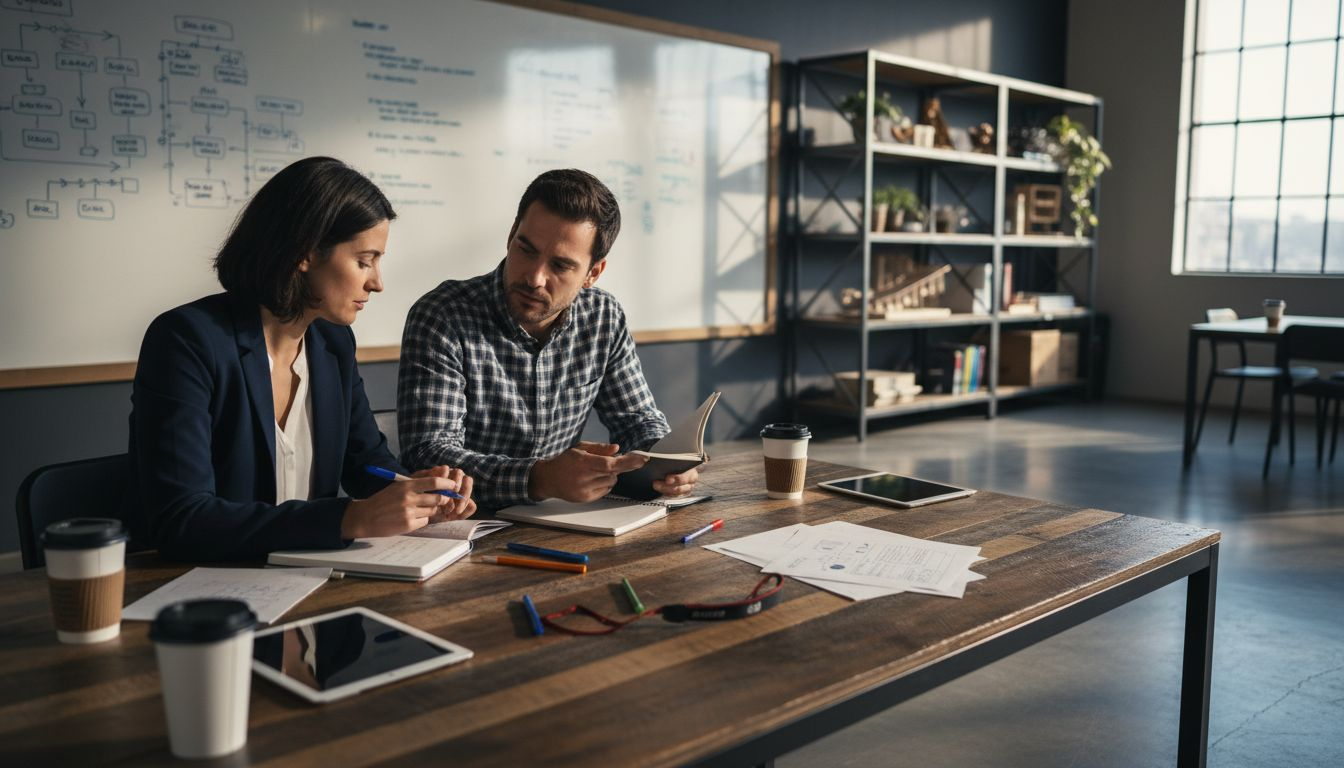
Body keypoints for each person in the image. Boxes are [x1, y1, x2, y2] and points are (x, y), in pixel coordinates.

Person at [123, 156, 476, 562]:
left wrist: (416, 491)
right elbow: (181, 520)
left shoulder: (333, 342)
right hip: (201, 596)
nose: (377, 282)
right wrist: (349, 518)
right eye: (364, 261)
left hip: (310, 580)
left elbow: (365, 464)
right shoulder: (187, 341)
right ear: (304, 253)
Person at [397, 169, 698, 508]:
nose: (535, 277)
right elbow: (429, 453)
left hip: (563, 521)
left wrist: (666, 463)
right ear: (512, 233)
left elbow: (637, 421)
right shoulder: (443, 316)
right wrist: (539, 478)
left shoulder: (603, 317)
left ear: (593, 273)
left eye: (560, 265)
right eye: (526, 249)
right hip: (465, 525)